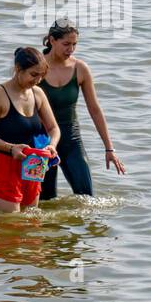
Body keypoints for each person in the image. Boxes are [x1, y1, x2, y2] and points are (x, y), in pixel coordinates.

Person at [38, 20, 127, 201]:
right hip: (41, 141)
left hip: (71, 139)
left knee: (87, 198)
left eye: (74, 44)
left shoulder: (80, 68)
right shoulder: (36, 67)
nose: (71, 49)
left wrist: (109, 148)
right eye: (66, 44)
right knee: (45, 201)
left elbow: (94, 109)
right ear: (52, 40)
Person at [0, 47, 60, 212]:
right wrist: (12, 148)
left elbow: (53, 128)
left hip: (33, 164)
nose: (37, 80)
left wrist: (52, 145)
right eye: (33, 74)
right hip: (4, 165)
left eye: (41, 76)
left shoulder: (38, 94)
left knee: (31, 223)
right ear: (18, 69)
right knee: (11, 224)